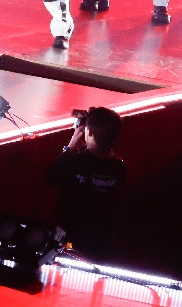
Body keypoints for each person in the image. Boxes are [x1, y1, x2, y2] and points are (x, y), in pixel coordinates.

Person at [45, 106, 127, 259]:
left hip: (69, 240)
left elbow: (49, 179)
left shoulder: (73, 161)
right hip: (101, 241)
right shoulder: (120, 168)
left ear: (88, 132)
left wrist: (69, 149)